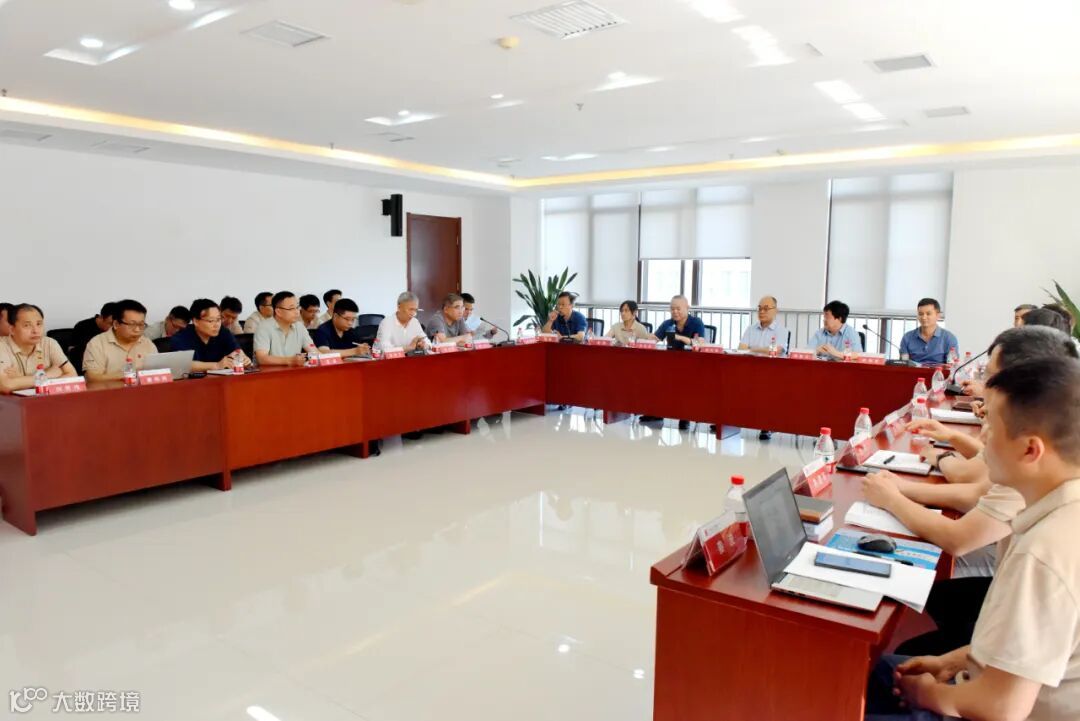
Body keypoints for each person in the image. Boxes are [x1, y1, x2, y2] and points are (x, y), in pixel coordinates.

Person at [865, 355, 1080, 721]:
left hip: (1001, 709)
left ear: (1030, 450)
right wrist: (953, 661)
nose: (981, 437)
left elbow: (1001, 708)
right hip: (995, 683)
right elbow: (1035, 648)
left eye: (992, 428)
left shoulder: (1043, 552)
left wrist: (926, 694)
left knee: (850, 687)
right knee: (879, 671)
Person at [0, 304, 76, 394]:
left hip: (45, 399)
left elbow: (72, 376)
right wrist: (48, 374)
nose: (35, 330)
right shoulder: (2, 346)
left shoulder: (49, 343)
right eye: (27, 325)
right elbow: (5, 385)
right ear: (12, 329)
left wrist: (20, 380)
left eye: (39, 324)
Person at [82, 299, 158, 382]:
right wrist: (128, 375)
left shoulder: (147, 344)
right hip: (110, 390)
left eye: (141, 324)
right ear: (116, 324)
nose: (137, 330)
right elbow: (92, 378)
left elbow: (158, 372)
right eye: (132, 324)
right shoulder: (97, 344)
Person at [169, 299, 250, 371]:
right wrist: (216, 365)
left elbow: (237, 351)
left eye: (218, 319)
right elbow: (182, 364)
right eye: (211, 321)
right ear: (196, 321)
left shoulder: (223, 332)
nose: (216, 325)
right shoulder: (180, 338)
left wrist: (243, 359)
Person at [253, 291, 316, 367]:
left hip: (294, 371)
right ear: (278, 312)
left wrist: (327, 356)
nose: (297, 312)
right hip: (271, 372)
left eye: (297, 307)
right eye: (291, 308)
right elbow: (262, 358)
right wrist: (290, 360)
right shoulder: (264, 327)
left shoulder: (299, 327)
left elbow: (314, 352)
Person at [899, 298, 959, 365]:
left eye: (928, 314)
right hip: (914, 371)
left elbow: (952, 365)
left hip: (938, 371)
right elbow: (903, 364)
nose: (924, 317)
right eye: (921, 314)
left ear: (938, 315)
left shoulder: (949, 338)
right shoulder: (907, 337)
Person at [70, 301, 117, 371]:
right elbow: (72, 351)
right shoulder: (82, 326)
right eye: (110, 324)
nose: (114, 328)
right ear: (101, 317)